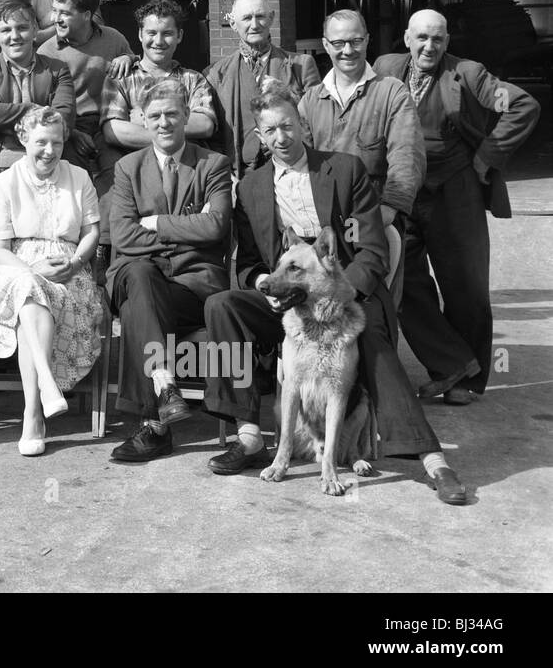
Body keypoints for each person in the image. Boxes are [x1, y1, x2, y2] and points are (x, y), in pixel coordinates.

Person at [200, 83, 468, 505]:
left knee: (375, 345)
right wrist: (261, 287)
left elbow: (373, 250)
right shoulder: (250, 189)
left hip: (347, 297)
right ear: (259, 136)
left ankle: (432, 459)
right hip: (288, 297)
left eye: (287, 126)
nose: (281, 138)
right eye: (269, 131)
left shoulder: (344, 170)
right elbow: (250, 262)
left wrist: (342, 295)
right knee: (221, 305)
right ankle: (248, 435)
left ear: (302, 125)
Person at [374, 10, 540, 404]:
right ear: (406, 39)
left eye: (437, 39)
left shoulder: (469, 74)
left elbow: (523, 105)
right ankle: (451, 365)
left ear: (447, 41)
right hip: (402, 192)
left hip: (454, 190)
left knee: (465, 286)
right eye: (421, 38)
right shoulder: (384, 68)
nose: (428, 46)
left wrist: (486, 157)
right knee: (402, 281)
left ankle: (468, 383)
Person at [106, 79, 231, 463]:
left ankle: (154, 425)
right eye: (155, 115)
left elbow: (216, 227)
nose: (164, 122)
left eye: (172, 114)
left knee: (136, 307)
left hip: (191, 287)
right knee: (140, 275)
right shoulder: (128, 167)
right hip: (138, 276)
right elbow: (124, 236)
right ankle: (164, 389)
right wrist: (186, 232)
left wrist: (157, 222)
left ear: (186, 117)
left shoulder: (213, 164)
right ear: (143, 120)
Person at [0, 106, 104, 456]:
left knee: (31, 298)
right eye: (41, 142)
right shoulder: (3, 183)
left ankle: (33, 412)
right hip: (13, 268)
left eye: (57, 143)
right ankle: (43, 391)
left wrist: (75, 263)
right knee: (27, 288)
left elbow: (92, 232)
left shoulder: (79, 177)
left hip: (69, 272)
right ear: (23, 139)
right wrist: (32, 271)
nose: (49, 151)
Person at [298, 9, 424, 300]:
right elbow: (300, 161)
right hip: (322, 223)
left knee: (376, 302)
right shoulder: (311, 100)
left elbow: (407, 155)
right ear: (326, 45)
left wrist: (389, 208)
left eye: (355, 41)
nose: (347, 50)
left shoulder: (392, 93)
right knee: (322, 302)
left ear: (367, 41)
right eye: (339, 43)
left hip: (374, 216)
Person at [203, 0, 320, 178]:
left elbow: (316, 121)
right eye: (247, 18)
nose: (255, 24)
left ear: (271, 18)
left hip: (295, 169)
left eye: (260, 16)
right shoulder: (215, 74)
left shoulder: (301, 65)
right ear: (233, 24)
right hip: (241, 174)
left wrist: (288, 94)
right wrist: (225, 174)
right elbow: (215, 135)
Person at [0, 0, 76, 189]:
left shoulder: (57, 70)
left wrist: (0, 114)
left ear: (35, 30)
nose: (14, 36)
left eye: (22, 28)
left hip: (48, 167)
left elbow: (63, 119)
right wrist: (38, 110)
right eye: (6, 30)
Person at [37, 0, 134, 202]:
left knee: (117, 178)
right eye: (54, 11)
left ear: (87, 15)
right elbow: (44, 106)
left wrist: (127, 57)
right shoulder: (47, 52)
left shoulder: (114, 38)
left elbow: (137, 68)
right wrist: (72, 132)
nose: (55, 19)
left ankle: (109, 236)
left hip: (109, 125)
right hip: (70, 127)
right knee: (72, 183)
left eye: (64, 13)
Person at [102, 0, 216, 158]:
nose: (159, 41)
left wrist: (143, 121)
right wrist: (175, 135)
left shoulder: (194, 79)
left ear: (179, 35)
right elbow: (113, 131)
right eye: (152, 33)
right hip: (136, 172)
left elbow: (205, 125)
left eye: (167, 33)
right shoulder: (121, 78)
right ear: (141, 34)